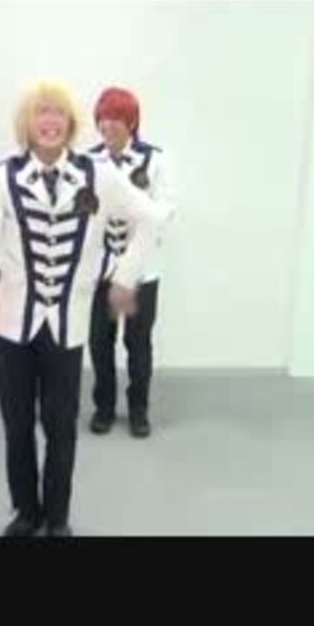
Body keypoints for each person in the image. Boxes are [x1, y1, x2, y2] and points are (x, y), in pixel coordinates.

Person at [0, 82, 171, 537]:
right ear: (27, 123)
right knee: (17, 425)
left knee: (61, 426)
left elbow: (151, 217)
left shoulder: (98, 173)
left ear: (71, 123)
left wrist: (124, 275)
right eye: (41, 112)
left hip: (69, 322)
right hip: (13, 321)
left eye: (58, 112)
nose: (50, 121)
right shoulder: (1, 174)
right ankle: (27, 511)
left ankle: (58, 516)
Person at [87, 87, 175, 438]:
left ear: (132, 121)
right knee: (99, 341)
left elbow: (165, 209)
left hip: (141, 270)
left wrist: (136, 207)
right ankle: (104, 408)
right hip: (101, 270)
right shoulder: (88, 161)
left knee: (138, 343)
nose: (107, 126)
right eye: (102, 118)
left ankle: (139, 410)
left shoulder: (156, 160)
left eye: (116, 118)